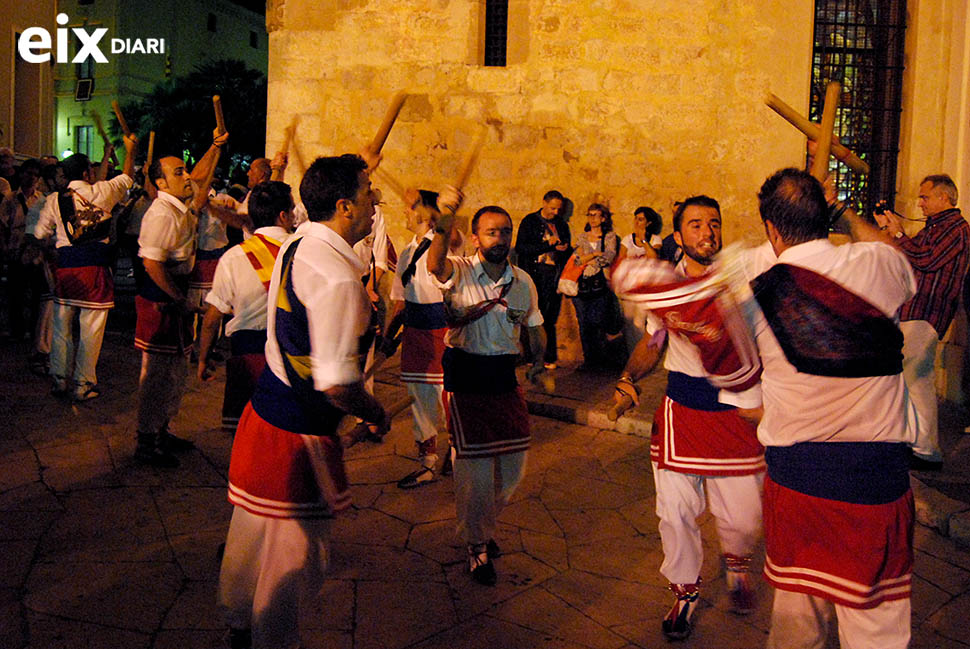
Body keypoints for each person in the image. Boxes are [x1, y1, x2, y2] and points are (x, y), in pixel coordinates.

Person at [217, 153, 389, 649]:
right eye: (367, 191)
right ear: (344, 207)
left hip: (267, 410)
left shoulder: (298, 242)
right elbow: (336, 384)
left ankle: (238, 623)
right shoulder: (337, 278)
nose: (374, 199)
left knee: (251, 539)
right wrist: (374, 413)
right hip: (295, 434)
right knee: (294, 557)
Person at [748, 168, 916, 649]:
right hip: (876, 482)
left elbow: (746, 399)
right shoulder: (878, 266)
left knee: (798, 627)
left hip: (798, 482)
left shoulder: (757, 296)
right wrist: (841, 212)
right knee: (877, 632)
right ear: (826, 218)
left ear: (772, 230)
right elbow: (894, 252)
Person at [611, 195, 764, 641]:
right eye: (695, 225)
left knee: (742, 516)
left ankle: (737, 564)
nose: (707, 232)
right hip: (682, 411)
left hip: (736, 412)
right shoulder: (667, 288)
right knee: (675, 511)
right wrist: (627, 379)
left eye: (713, 223)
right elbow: (653, 343)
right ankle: (685, 592)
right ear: (679, 236)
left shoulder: (741, 281)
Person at [427, 199, 545, 586]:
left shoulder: (523, 281)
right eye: (492, 231)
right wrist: (442, 229)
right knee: (475, 469)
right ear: (476, 237)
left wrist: (538, 363)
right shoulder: (459, 271)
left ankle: (483, 526)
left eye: (505, 231)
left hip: (503, 377)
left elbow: (532, 327)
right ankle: (476, 545)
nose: (500, 238)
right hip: (466, 375)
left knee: (513, 465)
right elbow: (434, 267)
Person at [134, 131, 226, 467]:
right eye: (178, 173)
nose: (187, 176)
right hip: (160, 302)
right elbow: (151, 264)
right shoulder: (161, 214)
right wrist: (179, 299)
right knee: (156, 375)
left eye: (185, 170)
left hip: (175, 299)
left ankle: (162, 430)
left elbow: (200, 176)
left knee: (175, 372)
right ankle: (146, 440)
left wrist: (214, 146)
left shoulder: (180, 206)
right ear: (160, 182)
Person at [32, 135, 138, 401]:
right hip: (94, 269)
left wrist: (54, 255)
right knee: (90, 329)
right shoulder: (103, 191)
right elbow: (127, 176)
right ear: (87, 172)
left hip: (66, 270)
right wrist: (130, 150)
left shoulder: (54, 199)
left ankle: (59, 378)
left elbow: (40, 234)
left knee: (61, 327)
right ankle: (82, 383)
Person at [875, 174, 970, 470]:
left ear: (945, 198)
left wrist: (902, 237)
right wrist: (891, 232)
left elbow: (926, 259)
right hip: (912, 310)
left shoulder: (957, 230)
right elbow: (909, 257)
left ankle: (928, 450)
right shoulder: (935, 228)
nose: (920, 203)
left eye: (925, 197)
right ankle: (913, 442)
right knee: (908, 380)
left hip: (928, 312)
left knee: (919, 380)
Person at [198, 180, 295, 431]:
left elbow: (212, 318)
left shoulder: (233, 257)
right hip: (292, 355)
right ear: (284, 216)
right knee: (284, 429)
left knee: (244, 428)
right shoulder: (301, 251)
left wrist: (203, 358)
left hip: (247, 354)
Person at [387, 188, 452, 488]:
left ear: (428, 213)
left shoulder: (447, 245)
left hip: (443, 331)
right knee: (420, 400)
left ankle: (457, 455)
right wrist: (388, 336)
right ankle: (427, 462)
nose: (405, 211)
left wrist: (446, 210)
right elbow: (400, 301)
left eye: (411, 206)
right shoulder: (405, 252)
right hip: (415, 332)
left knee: (449, 398)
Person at [514, 190, 570, 369]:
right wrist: (547, 245)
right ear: (544, 203)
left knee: (549, 316)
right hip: (534, 273)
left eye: (558, 209)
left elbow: (564, 246)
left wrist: (564, 248)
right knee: (532, 315)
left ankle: (548, 356)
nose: (555, 212)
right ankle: (531, 356)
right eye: (553, 208)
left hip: (552, 274)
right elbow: (521, 248)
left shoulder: (560, 224)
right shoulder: (530, 221)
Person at [571, 202, 620, 369]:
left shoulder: (609, 236)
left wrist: (590, 260)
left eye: (595, 215)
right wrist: (594, 254)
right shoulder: (582, 237)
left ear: (603, 218)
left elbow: (609, 256)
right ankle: (589, 360)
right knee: (584, 323)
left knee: (598, 321)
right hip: (582, 285)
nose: (592, 218)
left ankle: (602, 359)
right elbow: (577, 260)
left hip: (600, 284)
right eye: (589, 215)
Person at [617, 206, 660, 354]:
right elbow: (621, 259)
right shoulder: (627, 240)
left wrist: (643, 240)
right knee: (629, 323)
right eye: (636, 218)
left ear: (648, 223)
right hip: (630, 287)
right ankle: (632, 355)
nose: (637, 222)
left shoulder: (655, 240)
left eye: (641, 219)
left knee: (640, 322)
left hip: (645, 288)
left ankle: (642, 355)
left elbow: (654, 258)